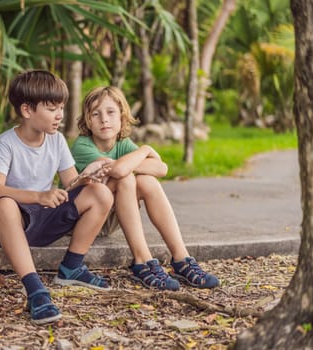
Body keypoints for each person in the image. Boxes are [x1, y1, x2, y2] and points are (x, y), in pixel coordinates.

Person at [0, 70, 114, 325]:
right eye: (52, 108)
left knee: (100, 194)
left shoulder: (57, 140)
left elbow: (70, 184)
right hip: (9, 222)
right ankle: (34, 289)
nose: (60, 115)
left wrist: (87, 176)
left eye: (61, 107)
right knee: (4, 204)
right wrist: (38, 196)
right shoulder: (6, 143)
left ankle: (72, 266)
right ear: (27, 110)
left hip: (43, 218)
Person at [71, 86, 219, 291]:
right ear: (87, 120)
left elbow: (161, 168)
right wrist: (146, 150)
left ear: (122, 116)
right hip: (83, 220)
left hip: (109, 214)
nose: (104, 119)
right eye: (95, 114)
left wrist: (138, 156)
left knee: (147, 182)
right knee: (126, 179)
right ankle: (142, 261)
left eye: (110, 112)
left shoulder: (122, 143)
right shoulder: (83, 146)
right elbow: (121, 170)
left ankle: (181, 258)